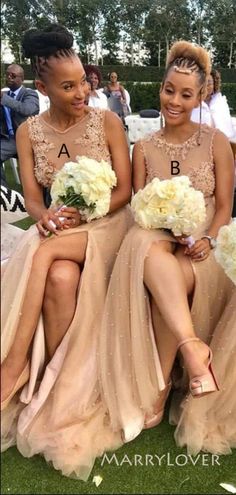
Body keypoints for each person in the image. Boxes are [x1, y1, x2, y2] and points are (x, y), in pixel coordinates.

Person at [1, 23, 132, 479]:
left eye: (84, 82)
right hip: (61, 232)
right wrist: (42, 216)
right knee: (58, 275)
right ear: (42, 87)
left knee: (38, 255)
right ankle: (52, 382)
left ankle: (12, 367)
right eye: (69, 86)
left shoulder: (107, 121)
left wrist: (90, 207)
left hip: (109, 226)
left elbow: (126, 192)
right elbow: (34, 196)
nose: (82, 93)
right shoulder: (28, 131)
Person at [99, 41, 236, 453]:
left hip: (203, 246)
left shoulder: (216, 143)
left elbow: (226, 207)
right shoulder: (144, 147)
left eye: (186, 94)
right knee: (149, 249)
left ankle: (159, 384)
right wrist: (166, 224)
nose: (174, 100)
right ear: (160, 88)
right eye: (168, 90)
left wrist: (209, 238)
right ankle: (193, 353)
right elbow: (141, 206)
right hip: (160, 238)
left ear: (200, 96)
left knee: (168, 281)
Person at [1, 64, 39, 186]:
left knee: (38, 174)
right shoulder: (4, 95)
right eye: (7, 74)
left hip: (25, 139)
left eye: (13, 75)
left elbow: (26, 110)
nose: (9, 77)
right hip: (7, 138)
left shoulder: (29, 94)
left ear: (21, 79)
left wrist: (3, 98)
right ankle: (5, 194)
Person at [191, 68, 235, 139]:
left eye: (209, 83)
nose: (206, 86)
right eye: (203, 83)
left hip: (220, 141)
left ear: (214, 84)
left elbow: (227, 126)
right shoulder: (193, 103)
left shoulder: (220, 102)